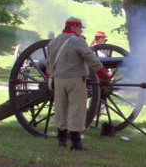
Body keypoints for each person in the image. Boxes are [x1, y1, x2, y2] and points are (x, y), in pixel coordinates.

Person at [47, 17, 111, 150]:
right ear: (74, 27)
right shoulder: (77, 41)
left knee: (61, 109)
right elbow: (90, 57)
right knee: (77, 109)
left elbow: (49, 63)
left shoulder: (53, 42)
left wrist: (49, 78)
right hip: (75, 79)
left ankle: (62, 141)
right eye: (80, 28)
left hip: (58, 80)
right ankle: (76, 143)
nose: (81, 31)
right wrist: (102, 73)